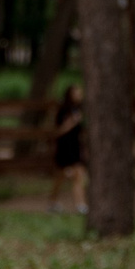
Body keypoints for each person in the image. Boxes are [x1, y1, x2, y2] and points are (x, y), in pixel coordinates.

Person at [47, 83, 87, 213]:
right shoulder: (63, 110)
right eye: (77, 93)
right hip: (64, 146)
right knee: (60, 177)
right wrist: (72, 122)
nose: (80, 95)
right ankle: (52, 201)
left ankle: (80, 205)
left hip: (75, 146)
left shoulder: (79, 109)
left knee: (79, 174)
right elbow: (58, 131)